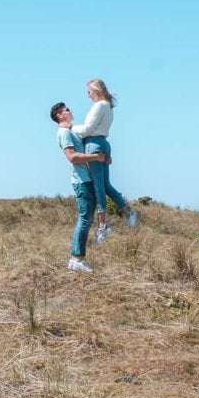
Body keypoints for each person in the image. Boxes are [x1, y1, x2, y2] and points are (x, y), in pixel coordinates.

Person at [68, 78, 139, 243]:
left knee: (98, 185)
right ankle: (129, 214)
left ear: (96, 89)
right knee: (106, 184)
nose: (87, 95)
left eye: (89, 91)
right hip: (103, 143)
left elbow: (87, 129)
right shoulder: (108, 106)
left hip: (93, 144)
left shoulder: (99, 106)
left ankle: (103, 226)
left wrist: (71, 128)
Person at [50, 101, 110, 272]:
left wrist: (103, 158)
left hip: (87, 179)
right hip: (81, 181)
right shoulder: (63, 133)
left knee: (87, 219)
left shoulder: (71, 132)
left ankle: (77, 259)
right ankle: (77, 259)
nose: (70, 111)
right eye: (66, 110)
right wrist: (95, 158)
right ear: (59, 116)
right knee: (84, 219)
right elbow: (72, 157)